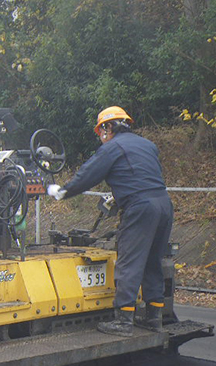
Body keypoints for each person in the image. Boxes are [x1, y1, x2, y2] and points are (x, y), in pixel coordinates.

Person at [47, 106, 173, 336]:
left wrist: (64, 191)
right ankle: (154, 317)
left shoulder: (114, 147)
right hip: (163, 204)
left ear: (108, 127)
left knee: (129, 261)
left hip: (140, 207)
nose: (100, 136)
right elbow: (140, 175)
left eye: (100, 130)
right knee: (153, 260)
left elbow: (89, 174)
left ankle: (123, 320)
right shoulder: (147, 145)